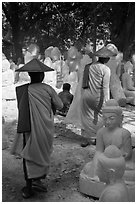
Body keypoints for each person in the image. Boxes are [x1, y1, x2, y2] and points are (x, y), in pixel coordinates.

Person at [11, 58, 63, 198]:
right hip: (46, 129)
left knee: (29, 155)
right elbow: (60, 105)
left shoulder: (23, 90)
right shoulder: (48, 89)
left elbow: (21, 109)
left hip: (29, 127)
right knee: (42, 153)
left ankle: (29, 187)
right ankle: (38, 180)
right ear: (42, 76)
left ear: (29, 75)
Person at [80, 46, 116, 147]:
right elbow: (105, 87)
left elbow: (84, 82)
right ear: (106, 58)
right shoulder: (106, 69)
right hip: (97, 97)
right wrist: (107, 102)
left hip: (87, 95)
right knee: (99, 117)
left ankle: (86, 139)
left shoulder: (90, 66)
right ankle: (96, 138)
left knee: (87, 116)